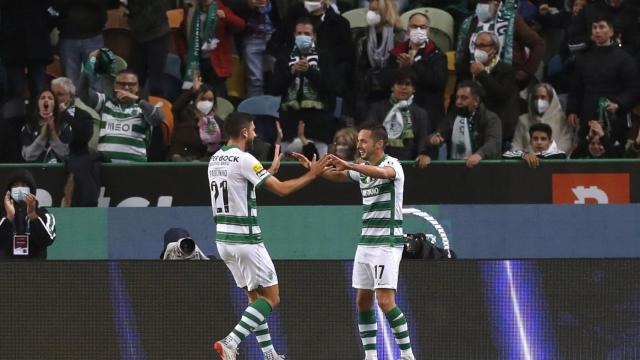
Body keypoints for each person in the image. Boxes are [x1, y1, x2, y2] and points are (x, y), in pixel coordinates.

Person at [211, 112, 329, 360]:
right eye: (252, 129)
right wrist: (313, 174)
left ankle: (270, 354)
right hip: (246, 240)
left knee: (255, 299)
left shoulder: (215, 159)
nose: (254, 133)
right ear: (244, 132)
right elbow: (282, 190)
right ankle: (231, 341)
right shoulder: (245, 159)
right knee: (271, 298)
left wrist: (265, 173)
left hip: (224, 240)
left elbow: (237, 185)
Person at [293, 121, 415, 360]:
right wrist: (314, 169)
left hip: (386, 243)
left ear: (378, 144)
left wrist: (350, 165)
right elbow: (338, 176)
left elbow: (383, 174)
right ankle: (370, 356)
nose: (358, 144)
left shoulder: (392, 165)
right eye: (358, 140)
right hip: (366, 243)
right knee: (363, 301)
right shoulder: (362, 168)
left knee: (385, 301)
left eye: (363, 141)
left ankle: (407, 355)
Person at [566, 14, 639, 153]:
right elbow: (576, 88)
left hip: (615, 119)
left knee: (614, 161)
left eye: (601, 27)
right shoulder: (583, 58)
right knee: (585, 159)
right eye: (594, 28)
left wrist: (618, 104)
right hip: (588, 117)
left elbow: (633, 89)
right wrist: (572, 110)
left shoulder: (624, 59)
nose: (597, 31)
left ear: (611, 31)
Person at [78, 50, 164, 162]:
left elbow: (157, 118)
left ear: (138, 87)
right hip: (106, 168)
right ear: (114, 85)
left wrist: (136, 99)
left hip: (134, 169)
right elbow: (82, 93)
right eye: (122, 84)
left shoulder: (143, 107)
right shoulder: (105, 102)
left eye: (131, 84)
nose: (127, 88)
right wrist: (91, 61)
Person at [271, 17, 336, 155]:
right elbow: (275, 88)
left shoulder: (325, 56)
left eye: (307, 34)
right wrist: (292, 71)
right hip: (289, 122)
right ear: (294, 35)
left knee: (317, 165)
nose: (302, 36)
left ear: (314, 37)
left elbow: (331, 87)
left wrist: (310, 71)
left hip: (317, 123)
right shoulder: (284, 55)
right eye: (299, 33)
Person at [455, 0, 545, 89]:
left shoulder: (512, 20)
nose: (481, 6)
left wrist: (526, 72)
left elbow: (538, 44)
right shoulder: (469, 23)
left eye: (485, 2)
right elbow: (462, 57)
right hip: (474, 84)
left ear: (497, 4)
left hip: (507, 83)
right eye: (480, 3)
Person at [389, 11, 448, 129]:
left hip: (426, 112)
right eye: (414, 26)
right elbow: (387, 79)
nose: (418, 30)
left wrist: (413, 65)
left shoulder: (437, 55)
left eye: (423, 27)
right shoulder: (397, 52)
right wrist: (400, 69)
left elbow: (438, 81)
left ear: (428, 31)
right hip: (398, 110)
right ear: (407, 30)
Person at [427, 80, 502, 168]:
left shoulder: (490, 118)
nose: (458, 102)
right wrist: (433, 139)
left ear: (476, 101)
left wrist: (479, 155)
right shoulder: (452, 116)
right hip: (456, 169)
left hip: (484, 169)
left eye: (464, 98)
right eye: (457, 97)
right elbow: (439, 132)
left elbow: (494, 142)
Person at [366, 68, 432, 166]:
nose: (403, 87)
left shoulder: (420, 113)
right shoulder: (378, 108)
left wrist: (423, 154)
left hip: (410, 163)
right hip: (379, 162)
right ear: (392, 87)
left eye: (407, 84)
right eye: (399, 84)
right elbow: (369, 134)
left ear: (414, 89)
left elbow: (422, 139)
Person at [181, 0, 245, 99]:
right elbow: (181, 34)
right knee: (196, 96)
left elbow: (241, 25)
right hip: (196, 62)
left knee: (218, 97)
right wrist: (184, 54)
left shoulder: (222, 9)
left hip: (216, 64)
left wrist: (226, 17)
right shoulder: (191, 11)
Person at [352, 0, 404, 120]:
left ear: (385, 12)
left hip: (389, 91)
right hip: (367, 92)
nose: (371, 13)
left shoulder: (399, 37)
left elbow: (398, 69)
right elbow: (358, 67)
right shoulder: (361, 36)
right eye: (370, 10)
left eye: (375, 10)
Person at [52, 0, 120, 87]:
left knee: (96, 83)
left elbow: (113, 4)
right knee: (69, 85)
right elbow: (52, 7)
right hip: (67, 35)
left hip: (94, 35)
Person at [466, 31, 519, 143]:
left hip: (498, 129)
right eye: (476, 45)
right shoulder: (469, 69)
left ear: (494, 49)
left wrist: (482, 74)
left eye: (482, 46)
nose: (477, 49)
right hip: (472, 128)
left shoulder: (506, 70)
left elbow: (502, 96)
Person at [0, 169, 56, 259]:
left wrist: (33, 215)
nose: (19, 188)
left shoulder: (43, 214)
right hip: (5, 270)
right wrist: (9, 217)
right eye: (15, 185)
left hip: (35, 270)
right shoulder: (2, 213)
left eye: (24, 185)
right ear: (9, 191)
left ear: (31, 190)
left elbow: (48, 240)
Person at [169, 74, 224, 161]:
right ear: (195, 100)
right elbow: (175, 108)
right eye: (203, 99)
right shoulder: (184, 113)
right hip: (181, 159)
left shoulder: (216, 121)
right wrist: (192, 91)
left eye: (210, 100)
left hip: (202, 162)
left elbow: (222, 144)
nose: (207, 103)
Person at [123, 0, 170, 97]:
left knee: (156, 84)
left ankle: (158, 110)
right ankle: (134, 108)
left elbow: (154, 12)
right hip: (138, 36)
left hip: (156, 35)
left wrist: (131, 11)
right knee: (134, 79)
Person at [511, 83, 572, 154]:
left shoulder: (562, 119)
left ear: (551, 99)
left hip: (555, 162)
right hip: (527, 162)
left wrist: (549, 157)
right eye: (536, 97)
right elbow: (516, 145)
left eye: (543, 97)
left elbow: (565, 145)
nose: (539, 101)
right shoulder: (523, 119)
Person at [20, 89, 72, 163]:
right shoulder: (29, 127)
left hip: (59, 171)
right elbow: (27, 156)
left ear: (55, 105)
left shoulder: (64, 126)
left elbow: (67, 154)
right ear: (38, 104)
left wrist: (53, 133)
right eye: (42, 98)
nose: (46, 100)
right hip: (35, 172)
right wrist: (42, 137)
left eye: (50, 98)